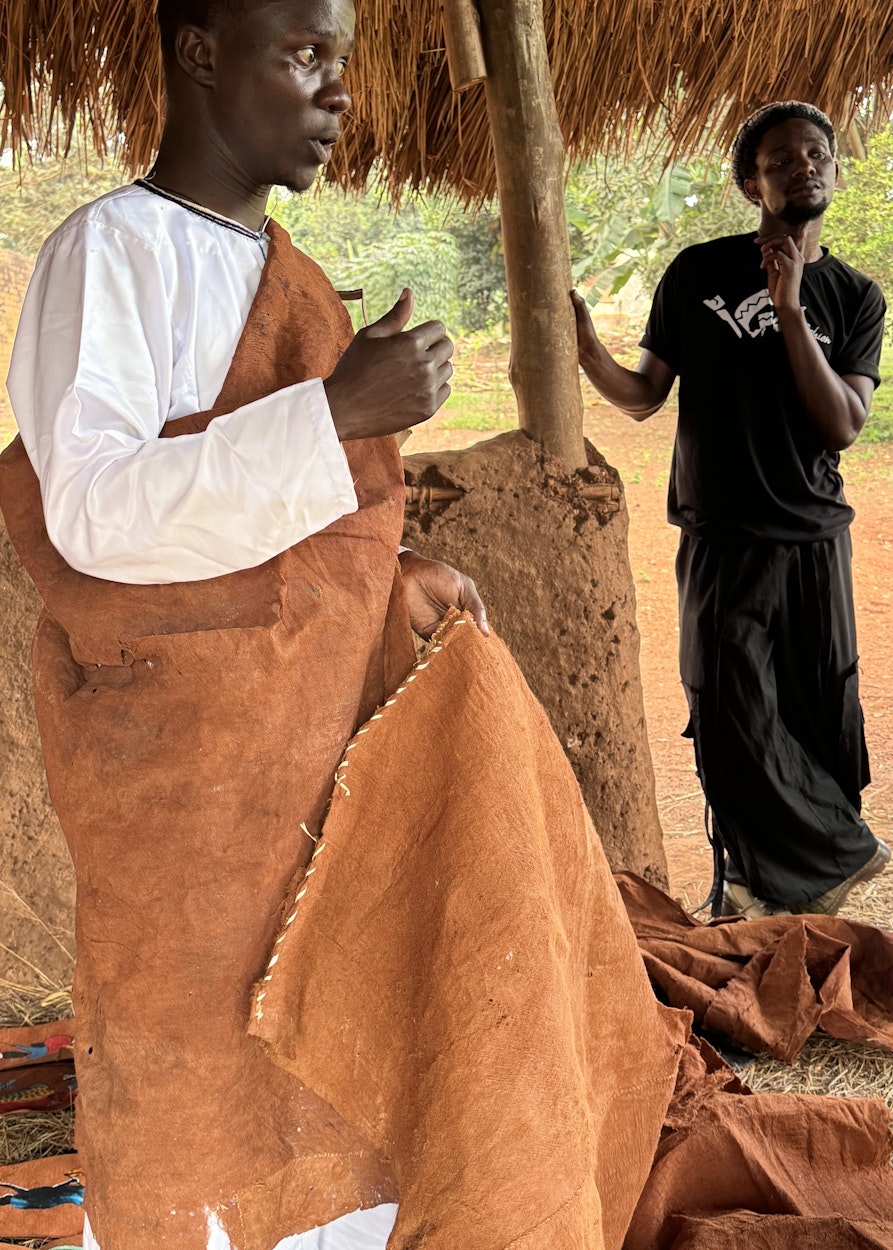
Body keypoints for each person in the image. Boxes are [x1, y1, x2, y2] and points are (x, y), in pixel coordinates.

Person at [0, 1, 488, 1247]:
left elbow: (287, 532)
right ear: (203, 51)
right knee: (188, 1091)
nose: (337, 92)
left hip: (305, 770)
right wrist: (336, 416)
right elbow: (98, 514)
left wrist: (388, 568)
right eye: (305, 54)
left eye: (345, 61)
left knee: (325, 1071)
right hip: (180, 791)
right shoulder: (110, 251)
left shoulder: (297, 280)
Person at [573, 100, 890, 920]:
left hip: (813, 540)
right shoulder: (697, 273)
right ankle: (819, 861)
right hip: (722, 539)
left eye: (814, 153)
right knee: (727, 713)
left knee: (819, 713)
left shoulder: (854, 297)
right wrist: (584, 349)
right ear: (750, 181)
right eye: (779, 158)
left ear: (834, 169)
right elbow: (643, 396)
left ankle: (779, 902)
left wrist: (789, 309)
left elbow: (842, 425)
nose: (801, 166)